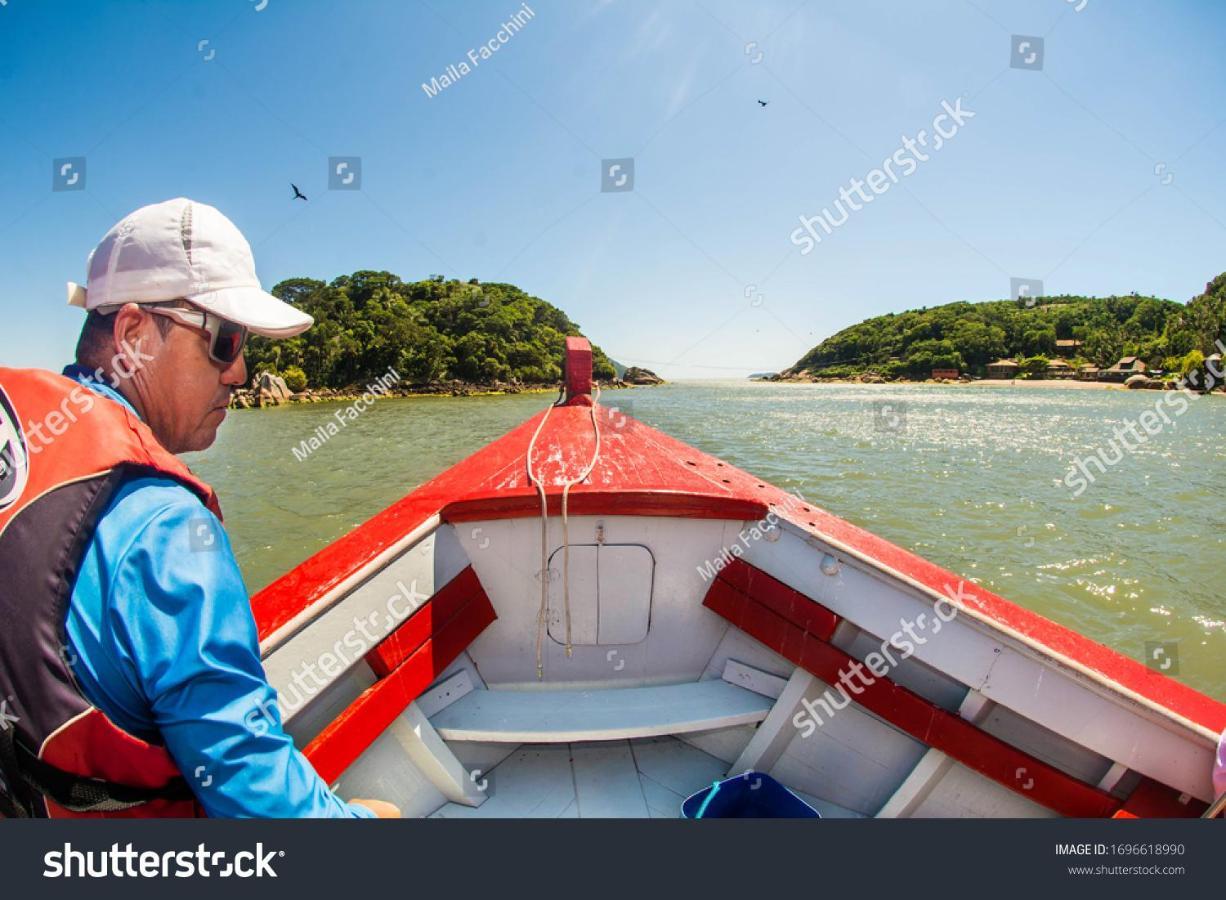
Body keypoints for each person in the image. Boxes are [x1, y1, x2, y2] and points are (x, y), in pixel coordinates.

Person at [0, 198, 399, 819]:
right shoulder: (164, 528)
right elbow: (259, 802)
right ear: (134, 333)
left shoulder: (21, 452)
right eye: (225, 340)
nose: (240, 371)